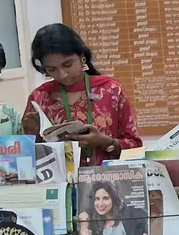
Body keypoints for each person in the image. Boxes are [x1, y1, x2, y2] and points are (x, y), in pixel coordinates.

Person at [22, 24, 142, 166]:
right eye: (52, 69)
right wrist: (30, 132)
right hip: (60, 184)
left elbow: (136, 148)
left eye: (68, 64)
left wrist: (105, 142)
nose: (62, 74)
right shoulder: (39, 98)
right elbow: (26, 156)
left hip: (108, 183)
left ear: (82, 56)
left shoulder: (111, 90)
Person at [77, 181, 150, 235]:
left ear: (114, 199)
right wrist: (83, 226)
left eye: (105, 198)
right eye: (97, 199)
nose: (100, 204)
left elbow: (150, 227)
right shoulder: (94, 223)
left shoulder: (130, 211)